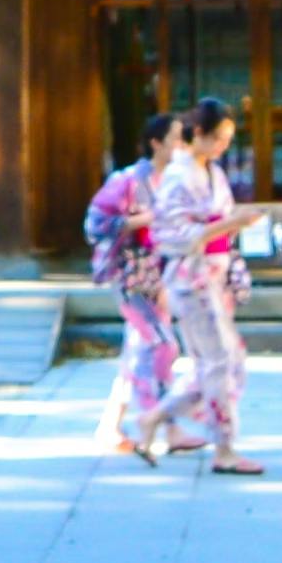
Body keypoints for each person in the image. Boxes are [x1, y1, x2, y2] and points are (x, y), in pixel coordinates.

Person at [144, 98, 258, 476]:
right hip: (191, 277)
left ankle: (156, 418)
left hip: (212, 275)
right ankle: (223, 446)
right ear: (199, 134)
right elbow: (172, 235)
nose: (223, 145)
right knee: (219, 362)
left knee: (224, 360)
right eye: (218, 137)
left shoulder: (212, 172)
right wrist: (228, 225)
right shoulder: (178, 176)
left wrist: (231, 225)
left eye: (228, 138)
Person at [91, 112, 179, 461]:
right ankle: (156, 423)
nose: (181, 145)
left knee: (138, 350)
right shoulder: (127, 180)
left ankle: (111, 426)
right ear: (156, 143)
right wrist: (145, 219)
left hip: (159, 275)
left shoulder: (171, 181)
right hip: (130, 274)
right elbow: (96, 223)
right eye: (175, 138)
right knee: (158, 344)